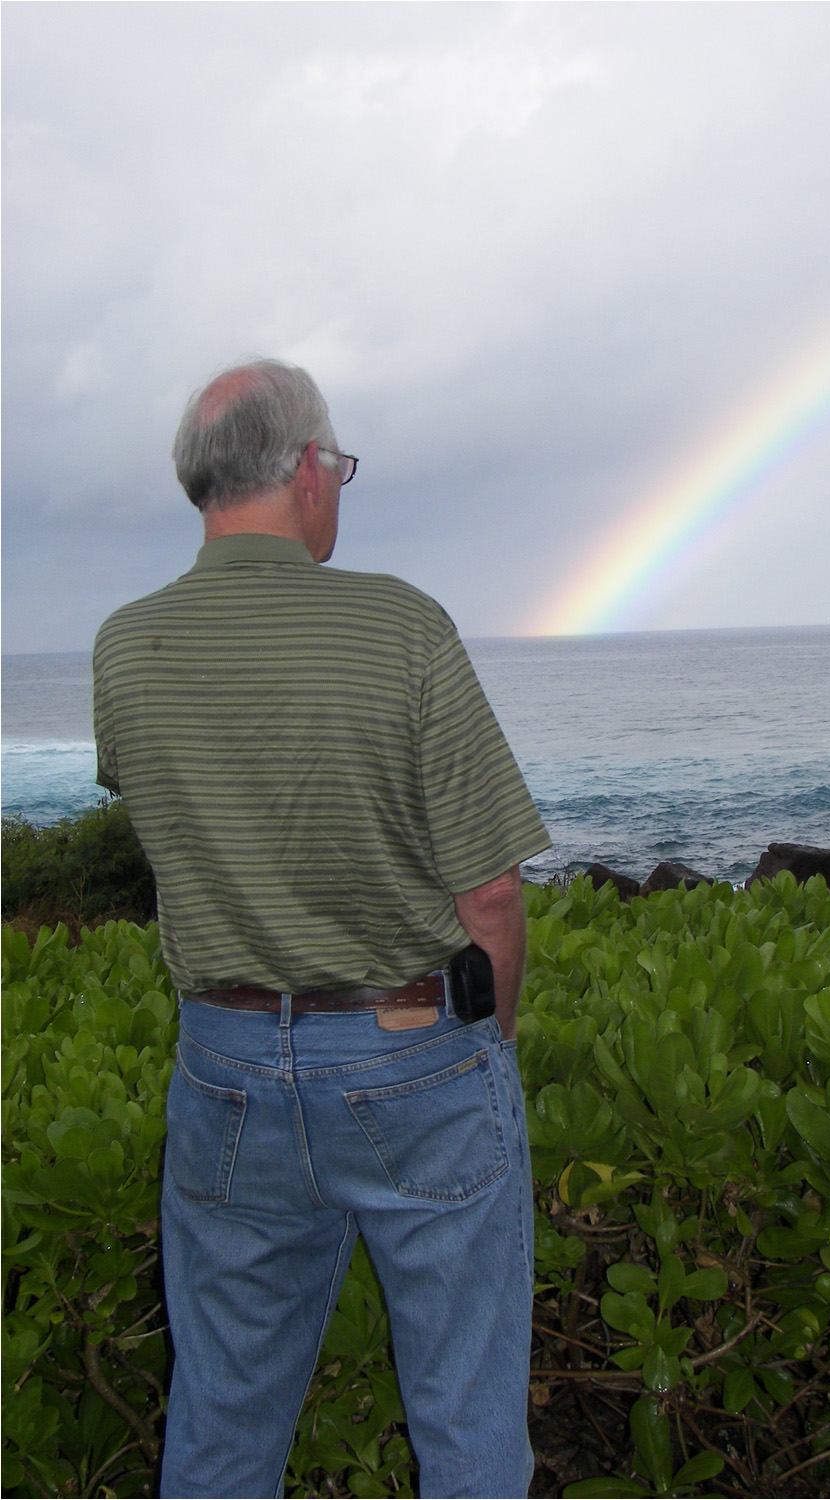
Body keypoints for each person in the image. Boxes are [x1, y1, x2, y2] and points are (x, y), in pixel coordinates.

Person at [92, 359, 551, 1499]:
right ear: (306, 471)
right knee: (466, 1423)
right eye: (336, 466)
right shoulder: (399, 626)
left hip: (225, 1071)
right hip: (411, 1055)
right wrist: (480, 1047)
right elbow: (488, 896)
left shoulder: (122, 648)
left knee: (223, 1421)